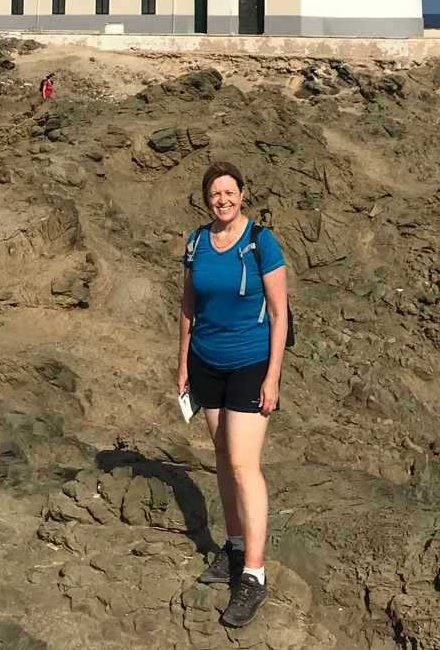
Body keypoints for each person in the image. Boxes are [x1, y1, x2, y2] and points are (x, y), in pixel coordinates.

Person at [177, 161, 288, 629]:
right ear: (207, 200)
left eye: (229, 192)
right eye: (214, 194)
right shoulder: (197, 242)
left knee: (244, 466)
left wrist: (272, 377)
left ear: (242, 193)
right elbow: (187, 304)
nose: (221, 200)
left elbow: (280, 314)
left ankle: (254, 575)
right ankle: (235, 544)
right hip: (206, 362)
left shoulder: (261, 242)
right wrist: (182, 362)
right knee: (223, 458)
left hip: (249, 365)